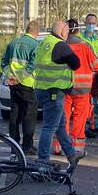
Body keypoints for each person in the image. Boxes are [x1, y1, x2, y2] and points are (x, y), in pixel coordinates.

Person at [34, 20, 81, 168]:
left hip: (43, 89)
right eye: (67, 32)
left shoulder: (44, 42)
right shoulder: (60, 45)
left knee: (60, 126)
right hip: (54, 92)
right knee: (49, 127)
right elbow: (76, 63)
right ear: (61, 32)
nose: (68, 35)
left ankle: (71, 155)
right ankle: (43, 161)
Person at [57, 19, 98, 157]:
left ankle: (58, 147)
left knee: (62, 118)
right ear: (78, 30)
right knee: (79, 119)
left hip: (65, 87)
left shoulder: (61, 45)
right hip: (82, 89)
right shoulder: (85, 46)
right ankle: (77, 149)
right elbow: (97, 65)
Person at [1, 19, 40, 154]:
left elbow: (4, 62)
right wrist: (20, 78)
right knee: (29, 116)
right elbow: (32, 65)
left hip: (12, 84)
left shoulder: (13, 43)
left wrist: (9, 76)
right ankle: (27, 146)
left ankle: (14, 145)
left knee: (15, 114)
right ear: (37, 32)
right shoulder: (36, 44)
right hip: (27, 84)